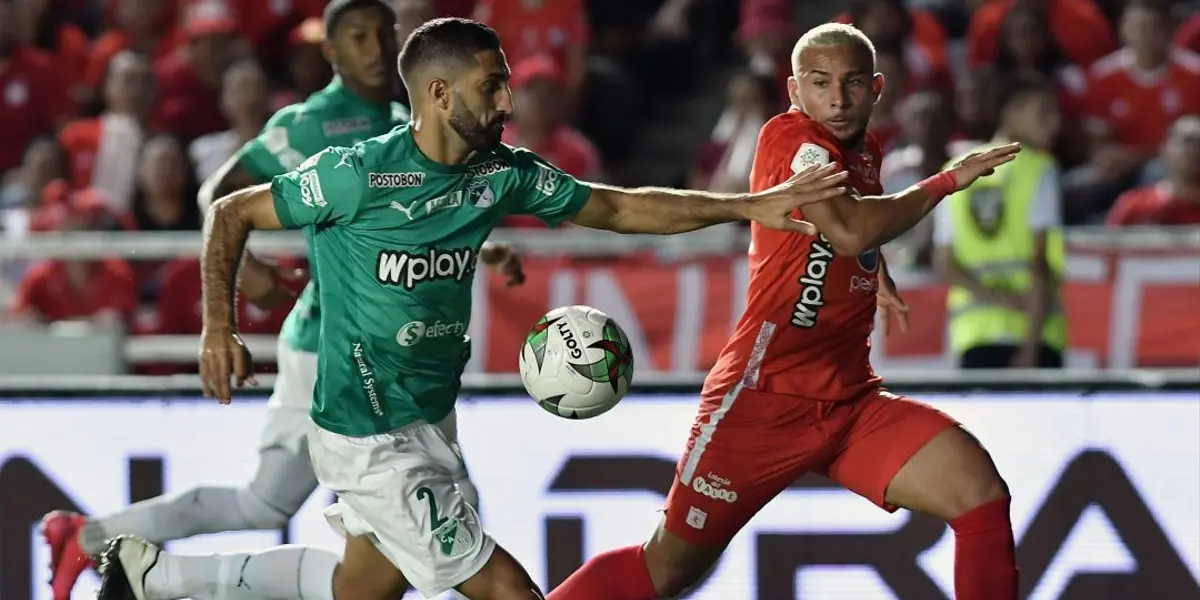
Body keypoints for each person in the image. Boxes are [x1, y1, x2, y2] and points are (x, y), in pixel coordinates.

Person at [93, 16, 848, 600]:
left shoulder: (501, 174)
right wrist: (217, 328)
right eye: (493, 86)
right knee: (504, 589)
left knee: (362, 587)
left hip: (428, 417)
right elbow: (229, 211)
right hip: (369, 433)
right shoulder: (358, 176)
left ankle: (153, 578)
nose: (508, 99)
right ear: (439, 95)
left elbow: (617, 209)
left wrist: (750, 205)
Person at [546, 23, 1022, 600]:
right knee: (667, 570)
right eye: (821, 85)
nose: (838, 99)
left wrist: (877, 273)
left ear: (876, 88)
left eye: (851, 84)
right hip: (762, 399)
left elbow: (850, 230)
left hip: (847, 400)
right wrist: (946, 181)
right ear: (796, 92)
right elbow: (848, 230)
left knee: (977, 491)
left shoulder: (864, 150)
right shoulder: (794, 143)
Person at [39, 3, 471, 600]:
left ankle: (96, 540)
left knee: (270, 504)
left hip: (370, 353)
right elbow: (219, 194)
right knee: (406, 556)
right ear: (332, 52)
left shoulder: (403, 117)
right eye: (357, 36)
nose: (374, 48)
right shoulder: (312, 123)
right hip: (337, 352)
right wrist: (244, 273)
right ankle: (139, 567)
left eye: (383, 34)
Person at [934, 74, 1067, 370]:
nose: (1054, 122)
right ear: (1010, 114)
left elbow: (945, 263)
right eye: (1043, 113)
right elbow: (1039, 262)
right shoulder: (1038, 169)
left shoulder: (955, 170)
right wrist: (1030, 348)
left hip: (974, 335)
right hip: (1033, 336)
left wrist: (994, 298)